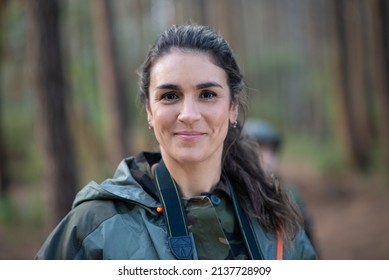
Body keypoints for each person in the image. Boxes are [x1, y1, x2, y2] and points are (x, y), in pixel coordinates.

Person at [35, 24, 317, 260]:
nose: (189, 115)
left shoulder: (273, 218)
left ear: (232, 108)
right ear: (149, 111)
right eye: (170, 96)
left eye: (207, 94)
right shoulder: (96, 227)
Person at [243, 118, 318, 251]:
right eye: (258, 150)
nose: (267, 157)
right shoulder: (230, 194)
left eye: (271, 151)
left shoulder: (290, 193)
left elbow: (308, 243)